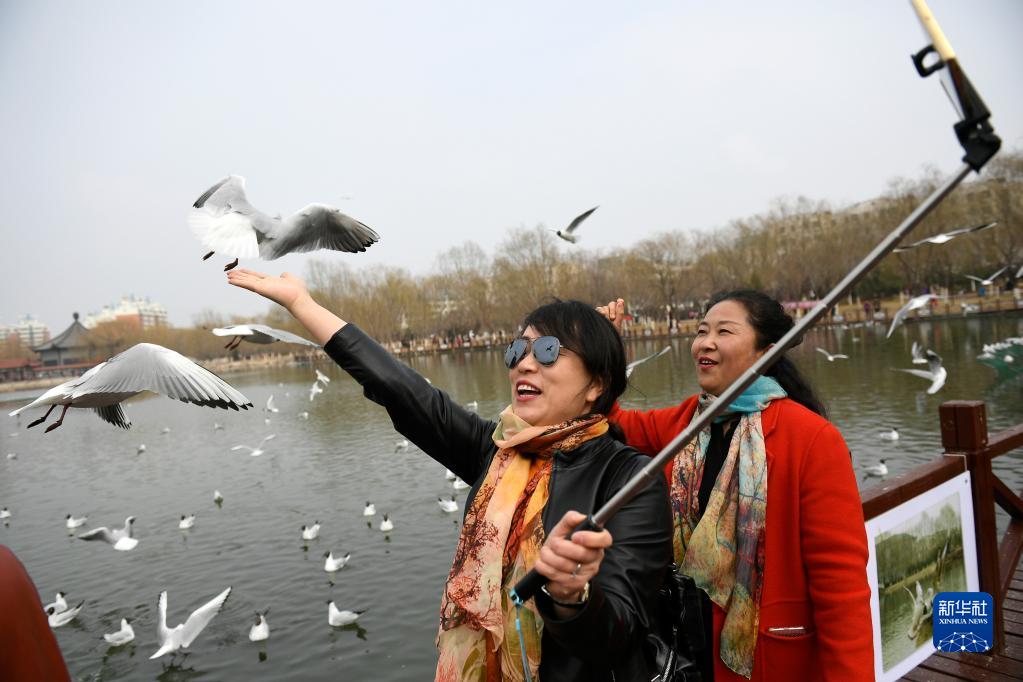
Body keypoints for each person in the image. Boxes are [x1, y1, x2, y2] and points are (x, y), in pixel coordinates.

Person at [227, 269, 673, 682]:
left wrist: (571, 597)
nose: (524, 364)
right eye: (517, 350)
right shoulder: (496, 453)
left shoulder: (631, 480)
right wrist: (302, 303)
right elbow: (401, 390)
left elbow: (621, 636)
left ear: (597, 384)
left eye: (548, 351)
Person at [600, 290, 873, 682]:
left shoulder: (812, 439)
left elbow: (841, 589)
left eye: (724, 332)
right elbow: (612, 424)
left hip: (769, 661)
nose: (705, 342)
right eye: (701, 331)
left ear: (766, 353)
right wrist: (606, 349)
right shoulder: (689, 422)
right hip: (687, 652)